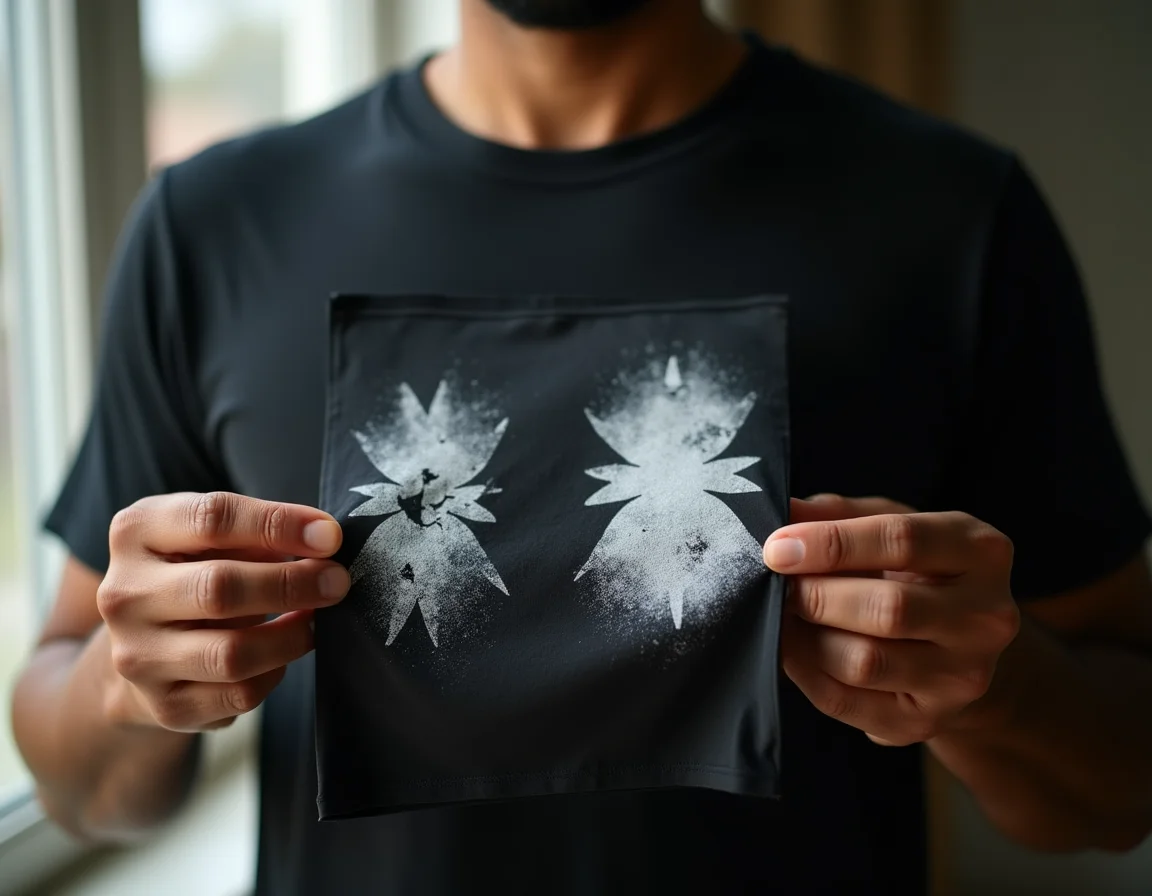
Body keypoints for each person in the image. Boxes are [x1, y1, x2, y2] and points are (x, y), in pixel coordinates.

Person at [11, 0, 1152, 893]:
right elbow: (78, 776)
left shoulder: (951, 212)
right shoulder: (209, 228)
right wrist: (128, 679)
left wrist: (990, 686)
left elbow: (1118, 785)